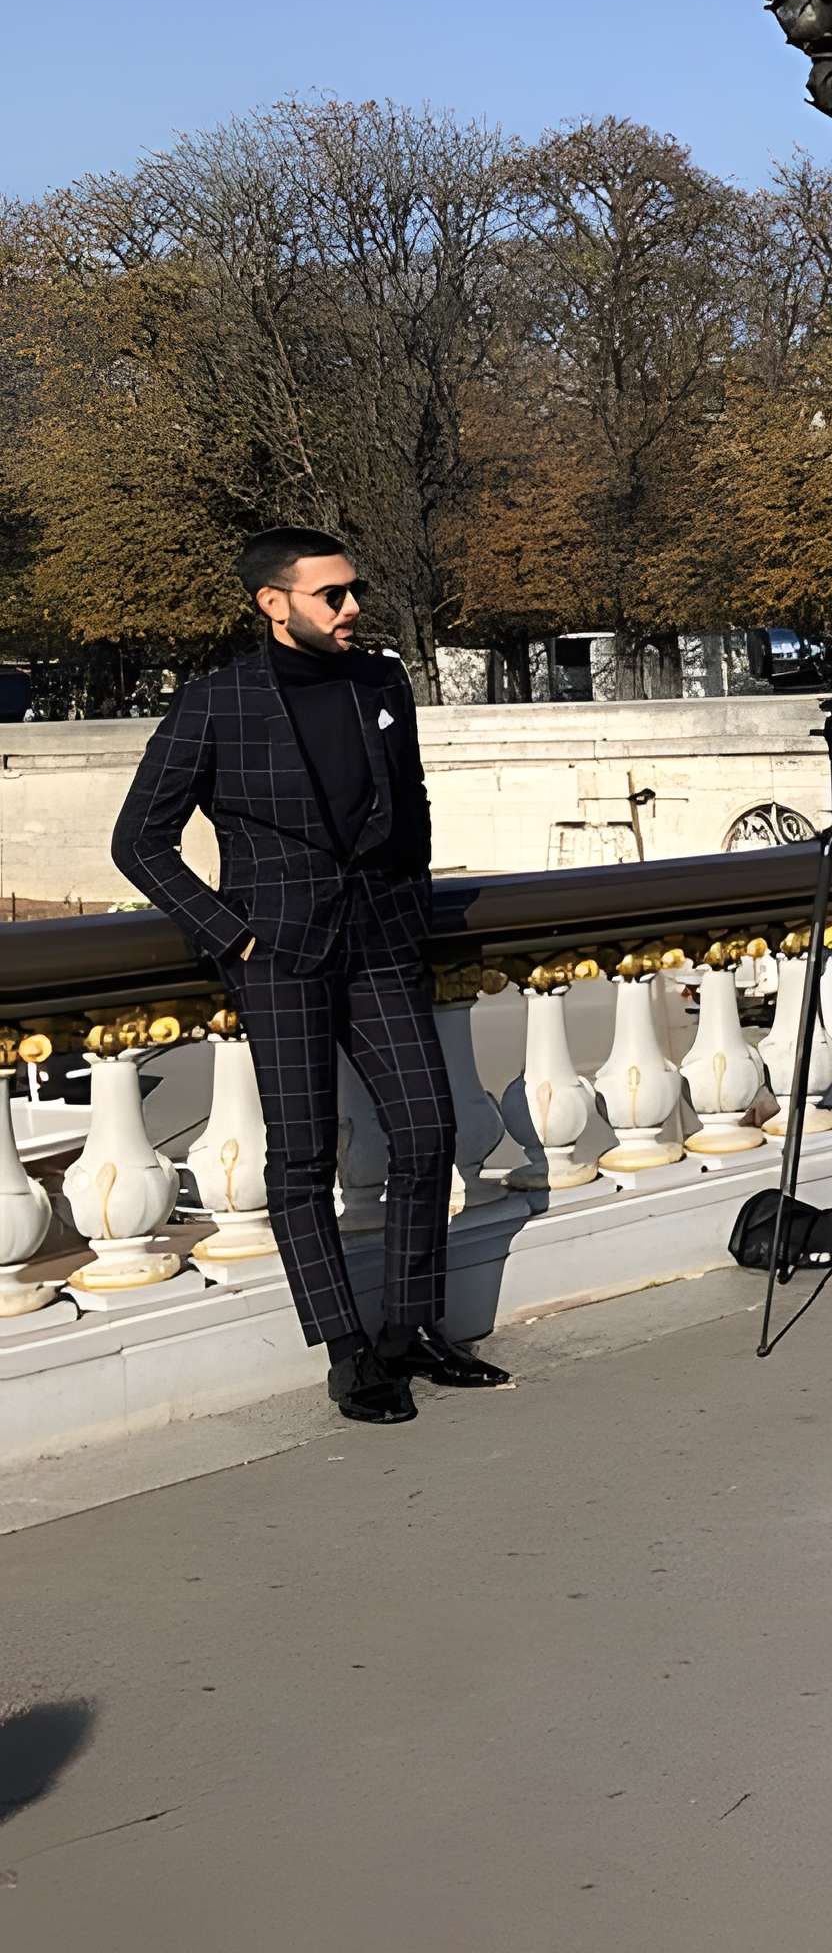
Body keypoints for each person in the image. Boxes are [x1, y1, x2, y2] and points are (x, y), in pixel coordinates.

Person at [108, 529, 506, 1427]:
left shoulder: (381, 681)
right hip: (278, 955)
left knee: (427, 1131)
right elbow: (139, 840)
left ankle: (411, 1331)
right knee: (299, 1160)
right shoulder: (215, 703)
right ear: (273, 603)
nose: (353, 607)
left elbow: (412, 803)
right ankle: (349, 1354)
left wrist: (412, 901)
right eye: (333, 595)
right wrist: (229, 937)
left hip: (383, 944)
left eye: (354, 590)